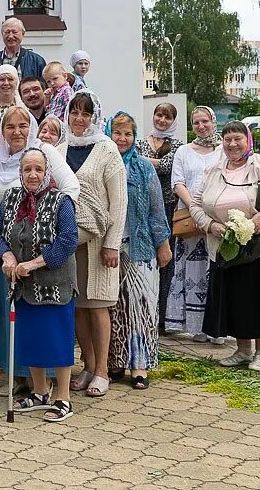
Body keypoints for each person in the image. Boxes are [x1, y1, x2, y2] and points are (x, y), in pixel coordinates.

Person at [191, 121, 260, 372]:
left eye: (237, 138)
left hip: (259, 247)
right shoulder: (213, 170)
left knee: (258, 298)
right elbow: (195, 205)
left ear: (247, 140)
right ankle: (242, 350)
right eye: (227, 139)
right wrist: (210, 225)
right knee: (235, 297)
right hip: (225, 247)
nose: (232, 144)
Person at [0, 148, 80, 423]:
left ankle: (63, 398)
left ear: (47, 172)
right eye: (27, 169)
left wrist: (34, 263)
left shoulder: (61, 201)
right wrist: (5, 255)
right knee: (29, 338)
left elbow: (68, 240)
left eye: (38, 169)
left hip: (55, 283)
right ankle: (40, 391)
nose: (33, 174)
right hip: (22, 286)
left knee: (58, 339)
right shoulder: (10, 198)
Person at [58, 90, 126, 398]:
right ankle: (87, 365)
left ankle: (102, 371)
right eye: (74, 112)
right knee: (78, 308)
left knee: (98, 306)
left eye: (86, 113)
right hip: (69, 240)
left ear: (94, 117)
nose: (79, 118)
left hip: (99, 241)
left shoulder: (106, 149)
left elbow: (119, 201)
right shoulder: (59, 149)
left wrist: (112, 243)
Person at [105, 112, 171, 389]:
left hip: (140, 248)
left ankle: (140, 365)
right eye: (117, 133)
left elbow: (157, 209)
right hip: (108, 249)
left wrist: (163, 244)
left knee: (141, 307)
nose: (122, 139)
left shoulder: (144, 167)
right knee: (114, 309)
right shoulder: (103, 164)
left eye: (128, 134)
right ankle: (116, 362)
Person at [166, 106, 222, 340]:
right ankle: (194, 325)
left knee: (215, 268)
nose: (201, 126)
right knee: (191, 269)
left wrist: (210, 209)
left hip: (217, 216)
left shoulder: (223, 150)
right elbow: (177, 182)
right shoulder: (184, 151)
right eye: (196, 122)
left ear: (213, 121)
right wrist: (194, 207)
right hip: (189, 216)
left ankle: (216, 325)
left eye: (204, 121)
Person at [134, 102, 182, 329]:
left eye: (167, 117)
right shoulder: (142, 141)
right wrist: (156, 163)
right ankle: (144, 310)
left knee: (165, 258)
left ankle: (162, 316)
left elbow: (167, 167)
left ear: (173, 121)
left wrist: (149, 162)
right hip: (142, 206)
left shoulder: (178, 145)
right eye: (159, 115)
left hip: (167, 206)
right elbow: (138, 163)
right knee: (145, 258)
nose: (162, 120)